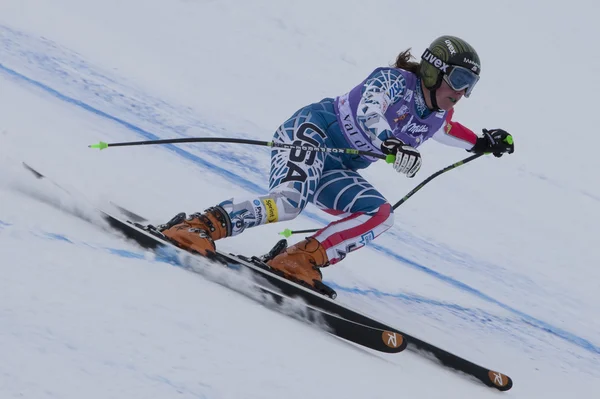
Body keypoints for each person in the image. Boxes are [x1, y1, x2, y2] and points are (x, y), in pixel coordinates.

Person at [157, 35, 514, 289]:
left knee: (380, 214)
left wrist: (483, 142)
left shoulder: (437, 114)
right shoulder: (392, 81)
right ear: (435, 71)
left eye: (471, 85)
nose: (462, 92)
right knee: (289, 203)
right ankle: (201, 226)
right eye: (460, 80)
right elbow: (370, 110)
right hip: (310, 134)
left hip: (337, 167)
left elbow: (448, 131)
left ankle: (300, 258)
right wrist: (388, 140)